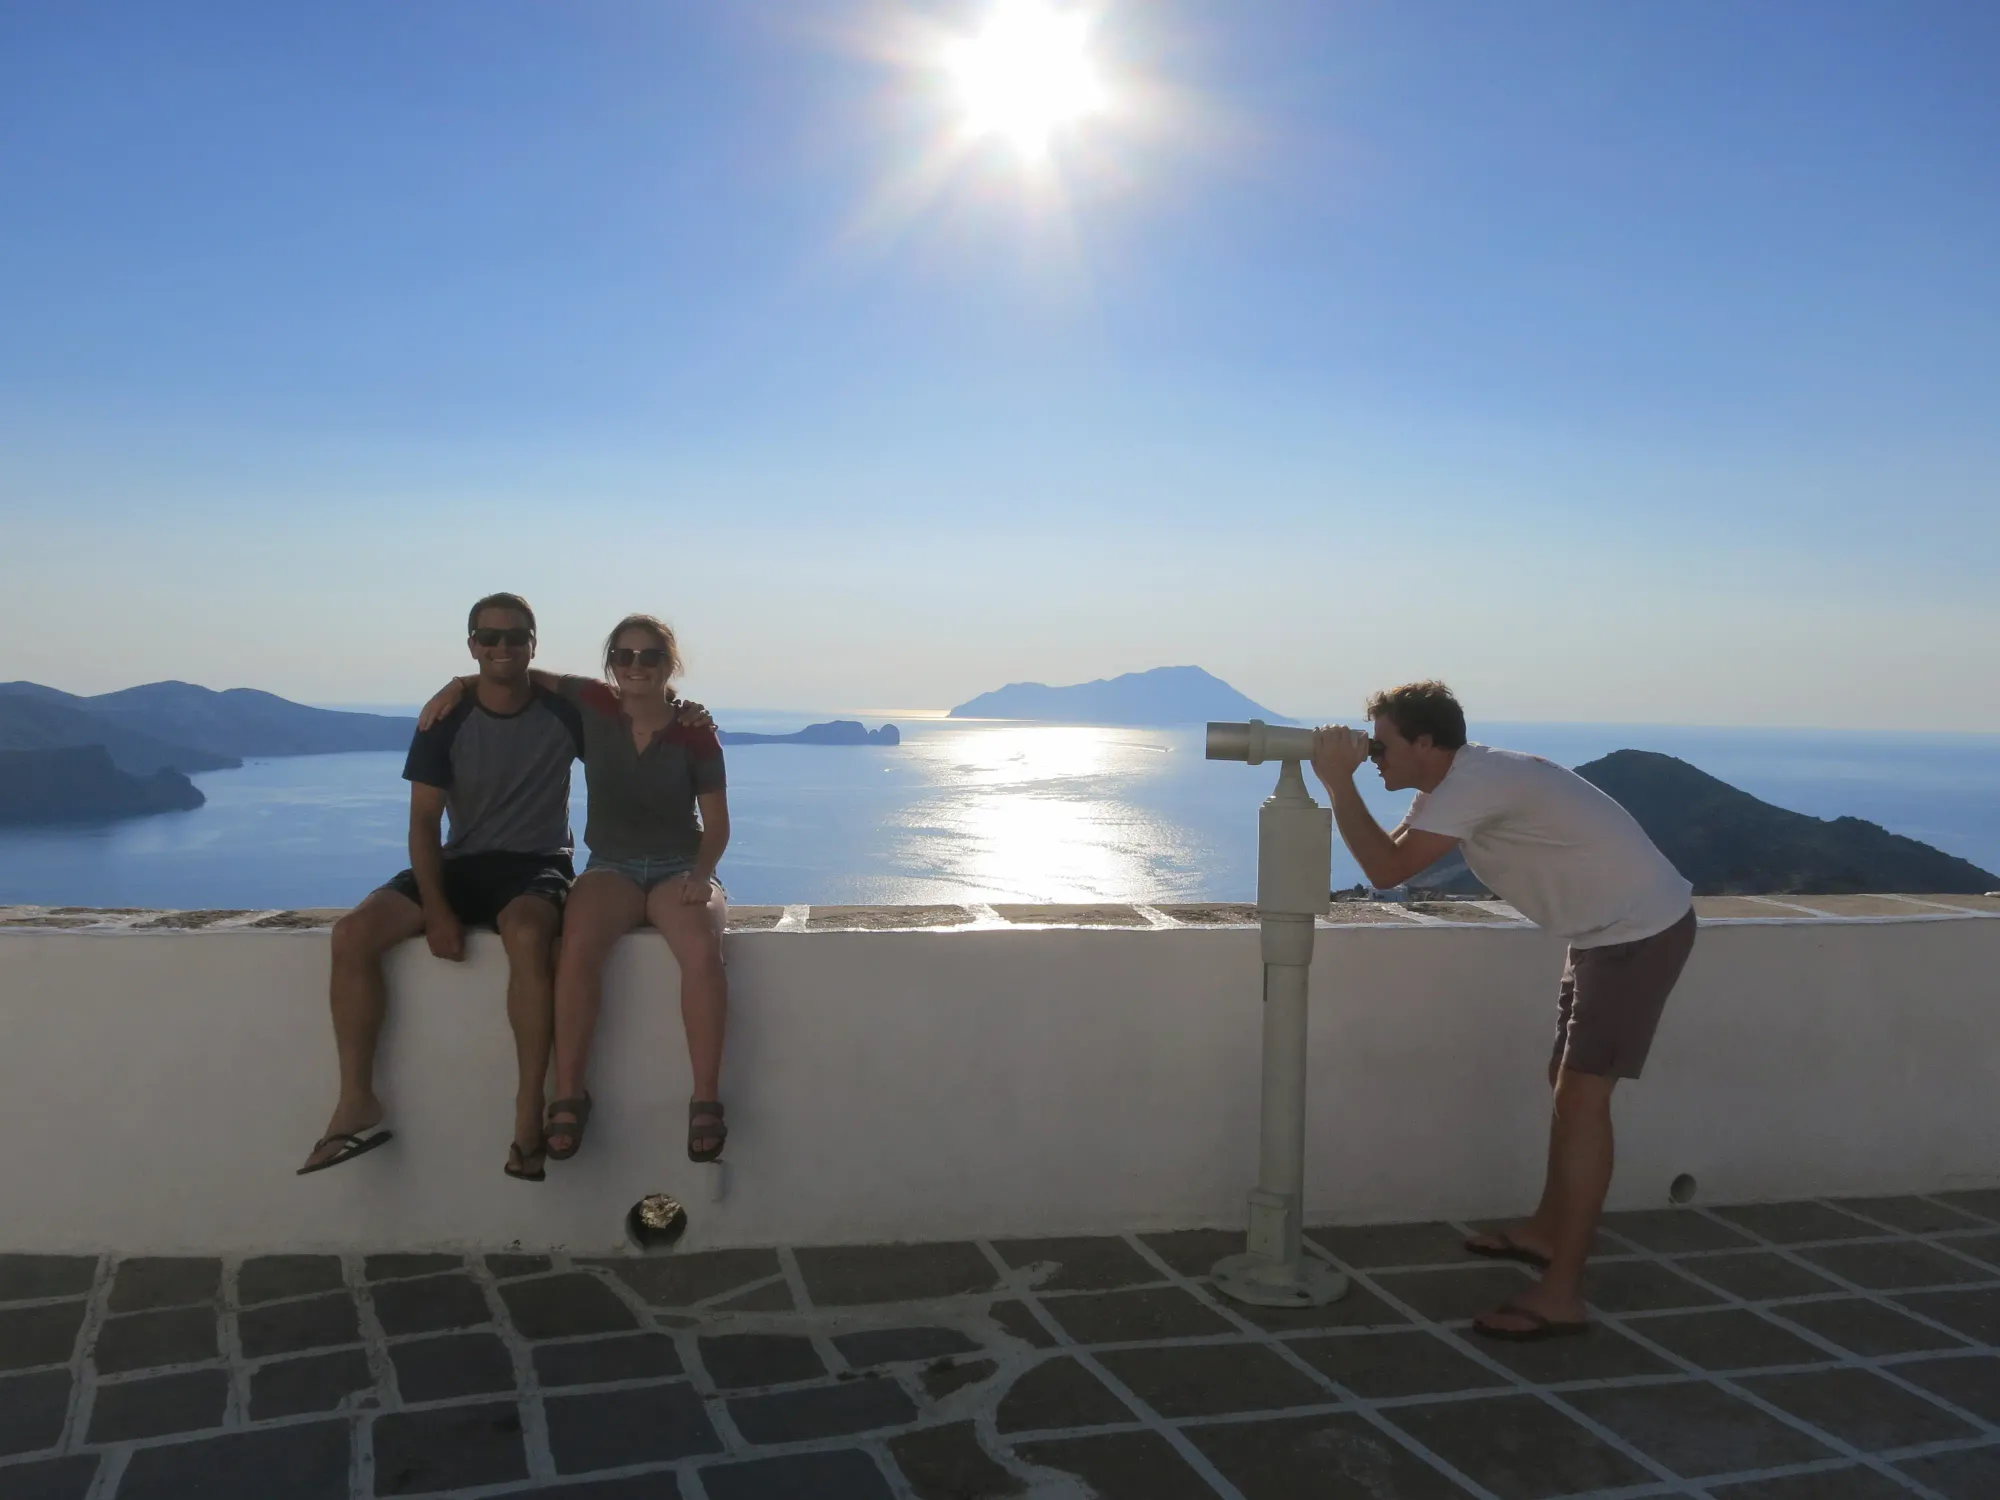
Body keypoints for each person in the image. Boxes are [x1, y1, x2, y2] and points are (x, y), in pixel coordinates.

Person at [1311, 681, 1696, 1342]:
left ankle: (1562, 1294)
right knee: (1565, 1086)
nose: (1374, 758)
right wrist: (1344, 779)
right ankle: (1547, 1233)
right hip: (1603, 935)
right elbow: (1394, 850)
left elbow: (1385, 869)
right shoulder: (1459, 779)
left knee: (1583, 1103)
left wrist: (1337, 783)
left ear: (1425, 743)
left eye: (1382, 745)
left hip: (1635, 937)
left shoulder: (1474, 783)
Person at [419, 614, 731, 1165]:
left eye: (650, 656)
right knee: (576, 948)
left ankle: (705, 1099)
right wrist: (455, 684)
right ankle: (569, 1094)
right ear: (611, 663)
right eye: (624, 655)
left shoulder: (695, 730)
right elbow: (515, 671)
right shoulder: (592, 703)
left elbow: (718, 823)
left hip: (680, 866)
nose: (636, 665)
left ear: (670, 664)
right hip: (611, 867)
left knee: (702, 952)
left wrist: (702, 874)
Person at [298, 593, 583, 1181]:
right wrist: (436, 909)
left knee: (528, 936)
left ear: (533, 644)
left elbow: (626, 700)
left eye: (515, 637)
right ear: (472, 644)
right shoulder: (444, 719)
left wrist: (688, 713)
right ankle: (357, 1100)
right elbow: (424, 822)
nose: (501, 647)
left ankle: (528, 1108)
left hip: (538, 862)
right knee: (352, 935)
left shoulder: (563, 712)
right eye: (489, 638)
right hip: (461, 862)